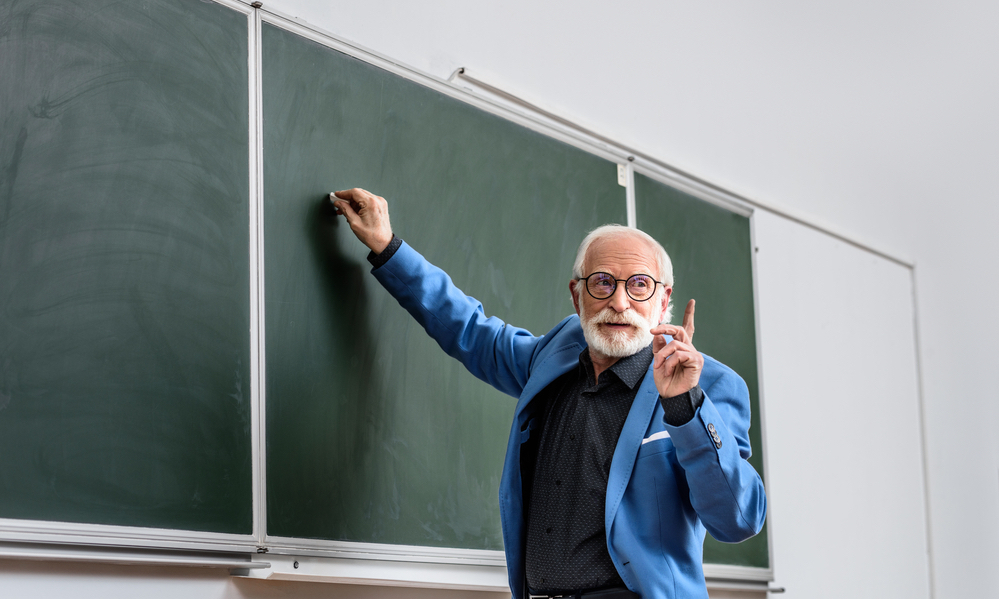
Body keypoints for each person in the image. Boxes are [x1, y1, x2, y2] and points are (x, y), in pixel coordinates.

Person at [330, 188, 767, 599]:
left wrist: (684, 406)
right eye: (602, 282)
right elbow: (471, 330)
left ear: (662, 298)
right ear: (576, 295)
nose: (619, 302)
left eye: (638, 285)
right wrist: (388, 248)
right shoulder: (557, 354)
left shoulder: (707, 386)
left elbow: (739, 519)